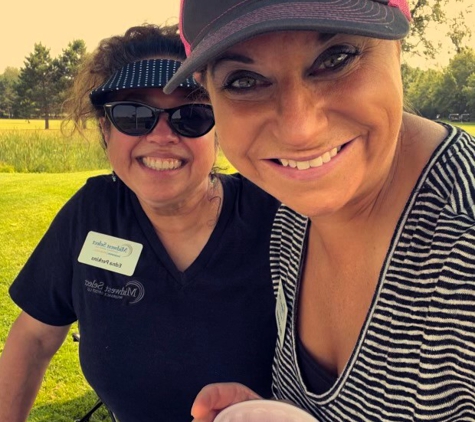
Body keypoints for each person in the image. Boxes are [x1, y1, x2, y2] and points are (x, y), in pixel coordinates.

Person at [163, 1, 475, 421]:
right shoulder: (291, 216)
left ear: (398, 46)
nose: (299, 130)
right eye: (243, 81)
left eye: (336, 58)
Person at [0, 24, 280, 422]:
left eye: (192, 114)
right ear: (105, 130)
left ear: (219, 131)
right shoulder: (91, 214)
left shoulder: (276, 216)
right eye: (134, 115)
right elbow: (34, 336)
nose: (162, 135)